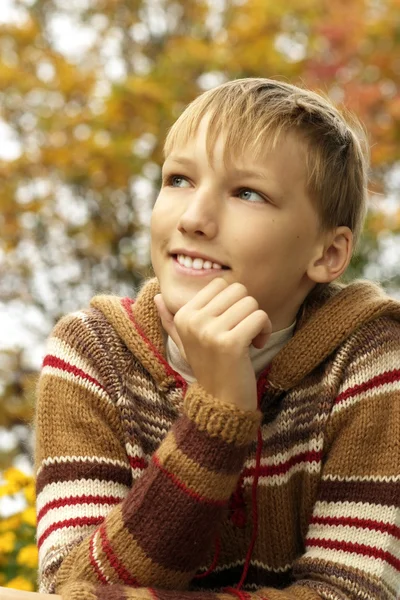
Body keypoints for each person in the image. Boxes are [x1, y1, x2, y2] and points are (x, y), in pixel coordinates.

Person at [34, 78, 400, 600]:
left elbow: (353, 593)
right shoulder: (93, 353)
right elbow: (69, 587)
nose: (194, 219)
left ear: (327, 254)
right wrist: (217, 419)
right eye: (179, 180)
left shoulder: (366, 358)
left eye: (247, 193)